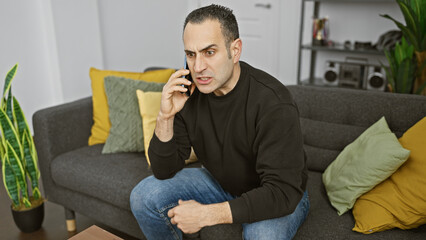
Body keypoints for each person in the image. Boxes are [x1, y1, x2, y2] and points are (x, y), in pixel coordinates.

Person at [130, 4, 309, 240]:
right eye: (191, 55)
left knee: (262, 235)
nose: (198, 67)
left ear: (235, 50)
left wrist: (206, 215)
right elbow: (164, 171)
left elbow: (282, 191)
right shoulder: (189, 95)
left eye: (209, 52)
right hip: (221, 182)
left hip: (275, 192)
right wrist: (166, 116)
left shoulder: (274, 103)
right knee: (143, 196)